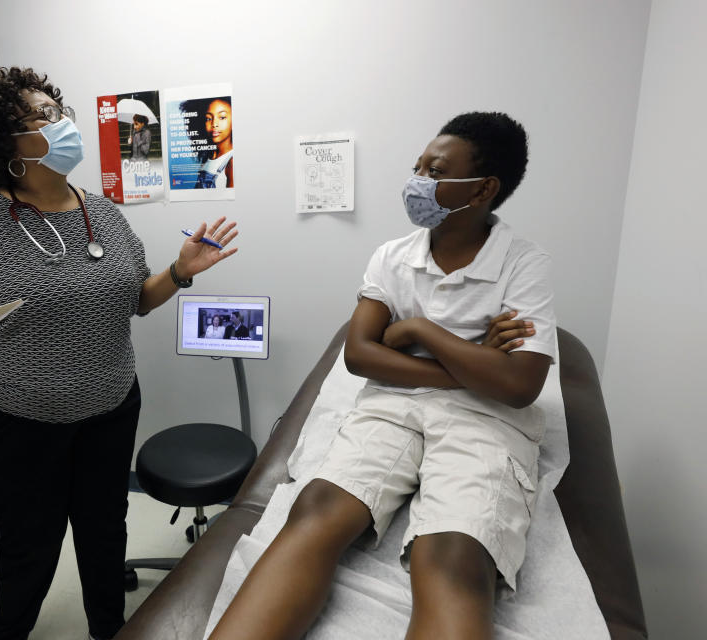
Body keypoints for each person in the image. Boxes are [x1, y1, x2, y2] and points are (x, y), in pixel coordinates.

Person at [0, 67, 238, 640]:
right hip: (19, 423)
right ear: (7, 143)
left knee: (106, 534)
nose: (62, 124)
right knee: (30, 548)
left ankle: (110, 628)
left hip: (110, 407)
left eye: (59, 110)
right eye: (42, 117)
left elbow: (134, 302)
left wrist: (178, 272)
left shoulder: (102, 212)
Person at [209, 112, 555, 640]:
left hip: (487, 419)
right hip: (393, 405)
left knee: (453, 554)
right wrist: (476, 360)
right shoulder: (391, 257)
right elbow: (359, 356)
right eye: (417, 166)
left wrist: (419, 329)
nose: (416, 181)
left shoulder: (524, 264)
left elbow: (520, 385)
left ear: (483, 189)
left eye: (434, 171)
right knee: (315, 515)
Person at [194, 97, 233, 188]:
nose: (214, 124)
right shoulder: (207, 156)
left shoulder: (231, 161)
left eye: (222, 117)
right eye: (208, 118)